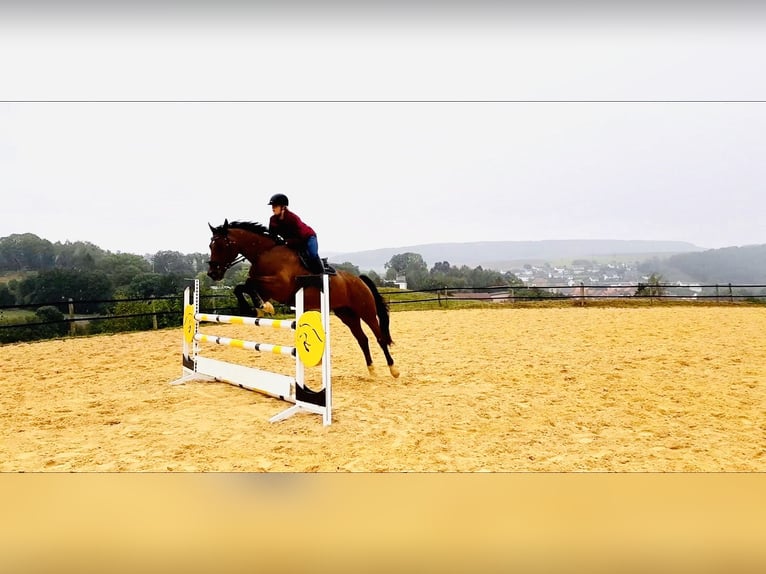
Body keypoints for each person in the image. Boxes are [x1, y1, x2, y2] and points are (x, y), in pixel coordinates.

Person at [267, 193, 325, 274]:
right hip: (293, 241)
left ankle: (322, 275)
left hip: (308, 238)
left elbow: (300, 239)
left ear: (283, 207)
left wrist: (286, 242)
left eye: (275, 206)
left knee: (312, 254)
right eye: (272, 206)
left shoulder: (293, 219)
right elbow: (272, 235)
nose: (273, 208)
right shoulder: (273, 220)